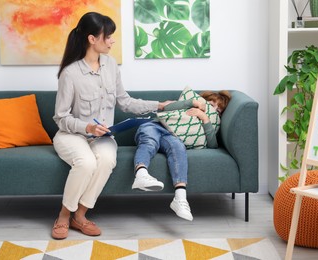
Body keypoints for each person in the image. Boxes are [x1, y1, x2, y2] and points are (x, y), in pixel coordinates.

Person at [51, 12, 170, 240]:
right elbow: (60, 117)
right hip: (72, 135)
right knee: (85, 163)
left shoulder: (111, 65)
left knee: (106, 160)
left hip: (103, 137)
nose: (112, 40)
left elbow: (125, 102)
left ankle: (81, 216)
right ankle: (64, 215)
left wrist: (160, 105)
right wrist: (87, 127)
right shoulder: (70, 74)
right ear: (92, 39)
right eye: (108, 36)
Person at [131, 91, 232, 221]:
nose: (213, 110)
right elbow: (165, 107)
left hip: (171, 136)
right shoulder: (188, 104)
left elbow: (212, 145)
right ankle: (141, 173)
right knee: (149, 142)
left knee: (179, 148)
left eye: (218, 111)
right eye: (212, 105)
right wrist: (192, 103)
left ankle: (180, 198)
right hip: (155, 126)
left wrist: (205, 119)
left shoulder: (209, 122)